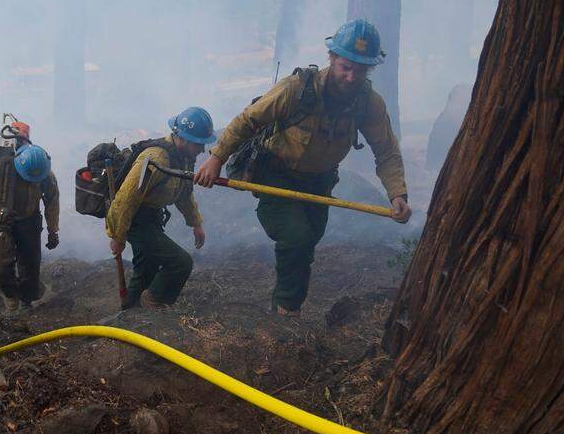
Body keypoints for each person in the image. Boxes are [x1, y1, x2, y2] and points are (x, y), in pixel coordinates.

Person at [194, 18, 411, 316]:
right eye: (346, 67)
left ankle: (287, 307)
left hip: (319, 182)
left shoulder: (369, 104)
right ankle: (286, 312)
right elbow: (248, 120)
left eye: (359, 70)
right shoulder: (296, 89)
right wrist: (216, 158)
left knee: (308, 240)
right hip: (275, 175)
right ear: (332, 58)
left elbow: (386, 151)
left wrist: (397, 194)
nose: (351, 76)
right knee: (296, 237)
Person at [107, 107, 214, 309]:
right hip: (136, 220)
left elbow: (184, 193)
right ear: (182, 139)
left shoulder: (183, 158)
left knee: (147, 269)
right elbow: (126, 199)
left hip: (151, 217)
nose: (201, 150)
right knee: (181, 263)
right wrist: (117, 236)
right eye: (198, 144)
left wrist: (196, 223)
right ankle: (154, 302)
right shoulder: (156, 159)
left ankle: (129, 313)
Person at [0, 143, 59, 314]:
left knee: (30, 264)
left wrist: (53, 231)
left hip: (29, 220)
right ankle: (11, 295)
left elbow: (52, 203)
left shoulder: (46, 176)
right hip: (0, 219)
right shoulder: (1, 175)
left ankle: (27, 300)